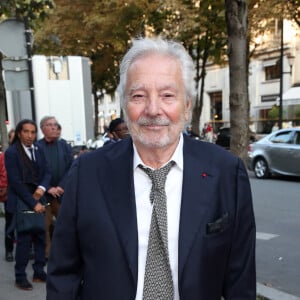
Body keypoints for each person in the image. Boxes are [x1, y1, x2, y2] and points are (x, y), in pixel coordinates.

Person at [47, 37, 256, 300]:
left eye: (168, 95)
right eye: (139, 96)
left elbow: (240, 279)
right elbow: (63, 272)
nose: (153, 109)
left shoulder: (226, 172)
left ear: (187, 104)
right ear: (125, 105)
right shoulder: (87, 172)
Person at [5, 119, 51, 290]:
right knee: (24, 240)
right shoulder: (12, 153)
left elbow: (47, 171)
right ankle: (20, 276)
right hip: (21, 200)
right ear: (19, 133)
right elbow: (15, 183)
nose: (30, 136)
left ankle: (39, 272)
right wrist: (33, 202)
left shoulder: (39, 149)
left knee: (40, 236)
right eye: (26, 132)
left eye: (33, 132)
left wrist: (41, 189)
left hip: (38, 197)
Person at [37, 116, 73, 259]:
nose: (54, 127)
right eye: (49, 125)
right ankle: (47, 255)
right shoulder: (37, 147)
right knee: (44, 227)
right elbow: (33, 171)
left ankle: (67, 253)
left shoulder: (64, 145)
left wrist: (61, 186)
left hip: (61, 194)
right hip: (44, 195)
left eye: (55, 125)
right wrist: (48, 188)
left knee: (67, 225)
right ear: (42, 128)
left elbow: (72, 167)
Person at [1, 129, 15, 262]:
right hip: (9, 195)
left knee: (27, 222)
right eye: (12, 137)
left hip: (25, 195)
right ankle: (9, 250)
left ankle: (29, 249)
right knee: (10, 223)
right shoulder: (3, 156)